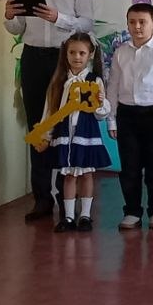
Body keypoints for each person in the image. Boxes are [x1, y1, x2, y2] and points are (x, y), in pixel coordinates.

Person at [3, 0, 95, 222]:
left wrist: (59, 18)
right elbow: (17, 28)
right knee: (37, 126)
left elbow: (87, 23)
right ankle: (42, 197)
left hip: (63, 58)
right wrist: (9, 16)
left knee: (64, 125)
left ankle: (67, 193)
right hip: (33, 56)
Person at [107, 3, 153, 230]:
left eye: (142, 22)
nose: (137, 27)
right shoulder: (120, 52)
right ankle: (132, 211)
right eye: (132, 22)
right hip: (126, 115)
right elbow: (113, 86)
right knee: (130, 167)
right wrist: (111, 118)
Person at [39, 33, 111, 233]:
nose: (76, 57)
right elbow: (50, 111)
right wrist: (45, 135)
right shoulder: (60, 81)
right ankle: (69, 217)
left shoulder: (95, 81)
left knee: (86, 174)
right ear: (66, 54)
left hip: (85, 135)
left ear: (90, 54)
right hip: (65, 135)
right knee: (69, 176)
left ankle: (85, 216)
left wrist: (101, 102)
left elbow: (101, 114)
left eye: (81, 53)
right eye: (72, 52)